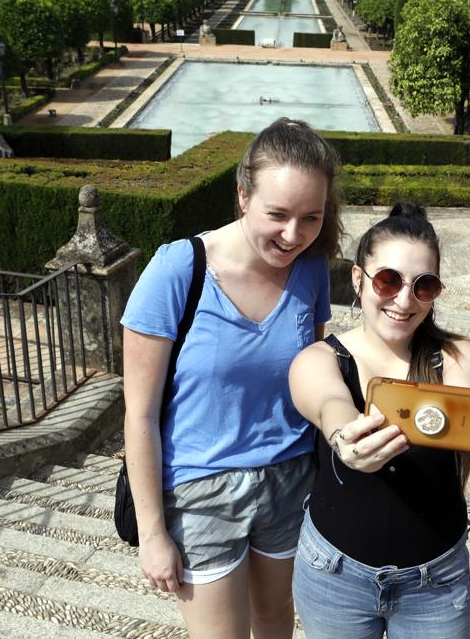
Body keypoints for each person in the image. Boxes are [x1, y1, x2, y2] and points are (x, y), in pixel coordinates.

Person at [120, 117, 342, 639]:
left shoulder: (310, 270)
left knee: (275, 626)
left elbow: (317, 377)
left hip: (291, 479)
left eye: (310, 218)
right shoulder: (178, 269)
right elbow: (140, 413)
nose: (293, 235)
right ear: (242, 196)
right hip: (200, 489)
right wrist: (153, 533)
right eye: (278, 214)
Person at [288, 203, 470, 639]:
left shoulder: (457, 355)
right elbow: (329, 402)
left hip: (435, 581)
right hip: (334, 574)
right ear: (358, 279)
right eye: (388, 280)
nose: (404, 299)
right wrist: (345, 438)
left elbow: (463, 393)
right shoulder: (320, 359)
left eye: (423, 285)